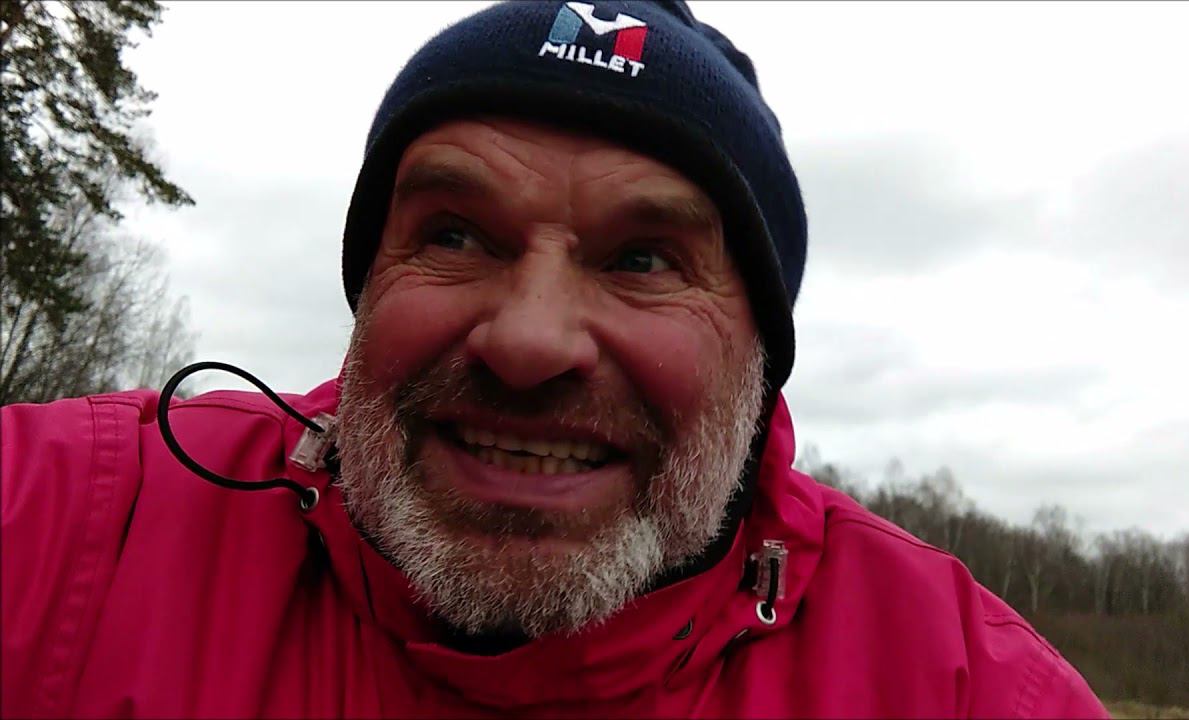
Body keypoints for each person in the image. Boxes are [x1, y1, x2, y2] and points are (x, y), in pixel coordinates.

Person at [1, 2, 1108, 717]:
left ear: (760, 352)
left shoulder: (967, 688)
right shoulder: (69, 523)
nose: (528, 341)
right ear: (369, 282)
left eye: (642, 258)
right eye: (453, 235)